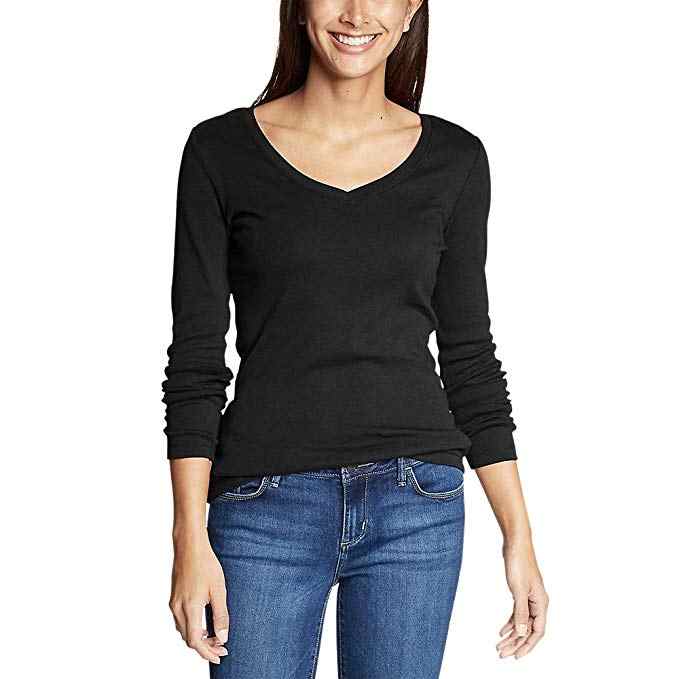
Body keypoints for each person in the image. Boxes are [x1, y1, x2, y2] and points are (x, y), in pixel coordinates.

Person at [161, 1, 549, 677]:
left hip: (415, 504)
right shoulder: (220, 152)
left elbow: (469, 360)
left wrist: (518, 537)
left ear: (411, 10)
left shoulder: (455, 160)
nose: (356, 13)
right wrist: (187, 537)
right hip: (261, 508)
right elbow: (196, 361)